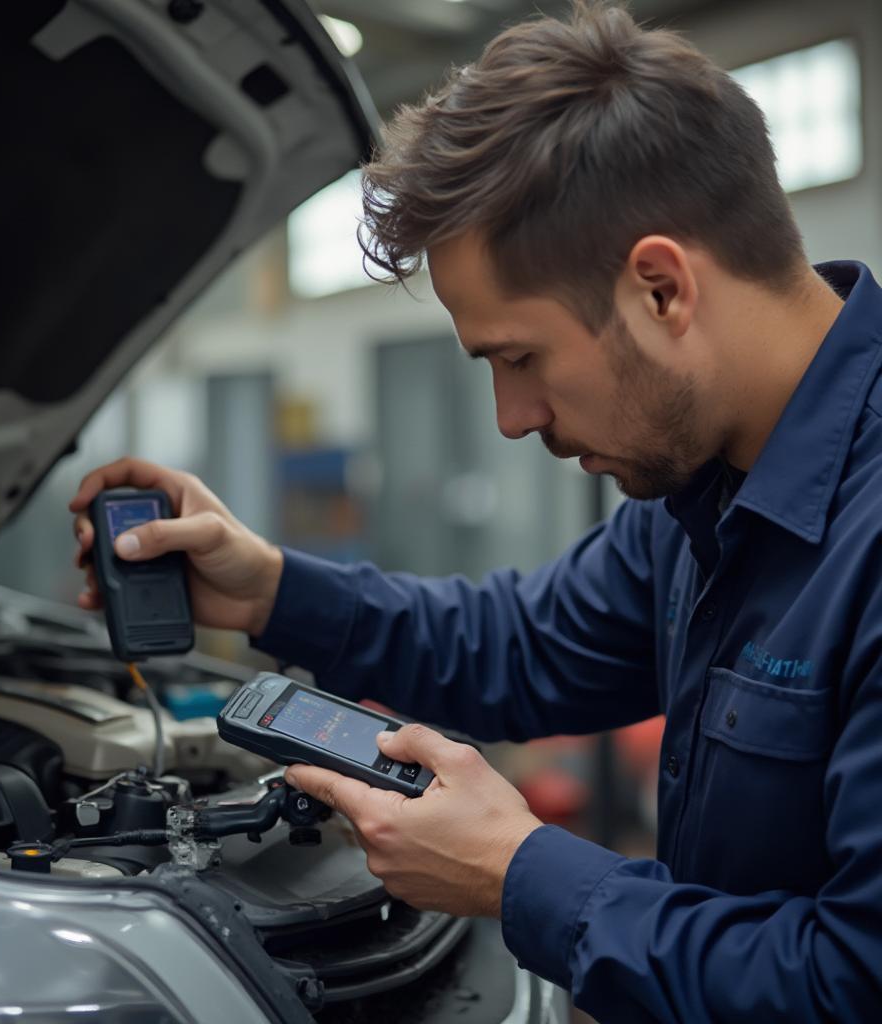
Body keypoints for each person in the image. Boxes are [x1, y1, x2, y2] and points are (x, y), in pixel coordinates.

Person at [70, 2, 882, 1020]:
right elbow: (522, 645)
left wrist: (522, 873)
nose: (511, 419)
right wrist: (271, 589)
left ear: (662, 291)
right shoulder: (700, 489)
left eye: (519, 357)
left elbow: (853, 981)